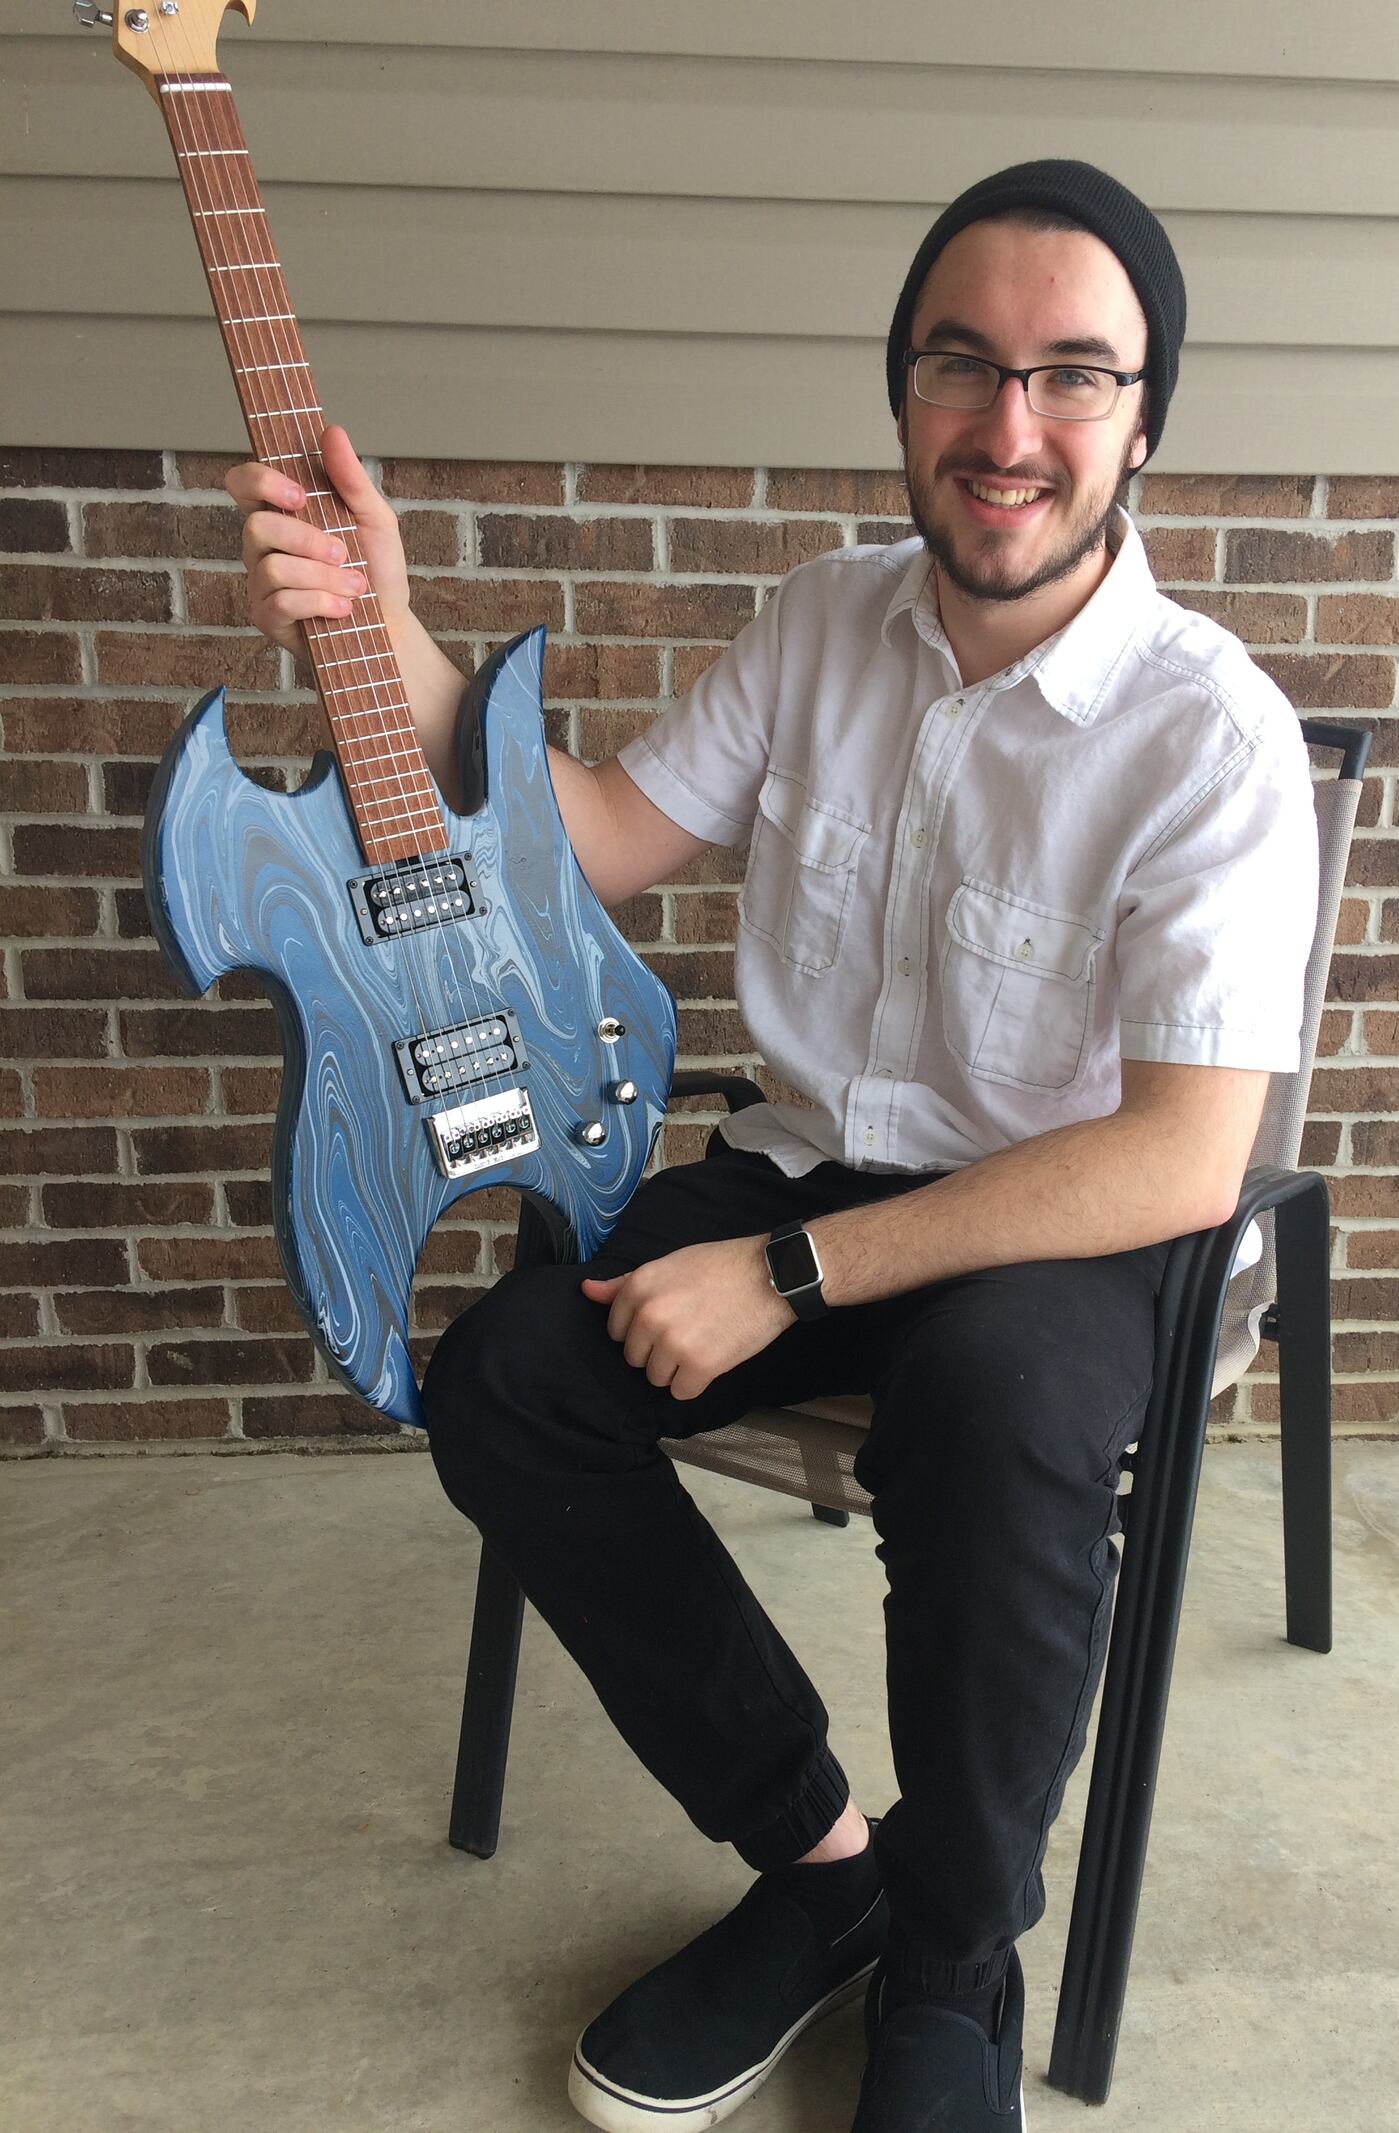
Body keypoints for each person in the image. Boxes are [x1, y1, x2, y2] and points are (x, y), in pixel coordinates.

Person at [227, 159, 1318, 2133]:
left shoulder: (1205, 737)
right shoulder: (817, 621)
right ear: (897, 388)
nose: (1008, 428)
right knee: (512, 1376)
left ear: (1143, 418)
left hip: (1061, 1219)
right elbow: (583, 835)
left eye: (1072, 378)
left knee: (983, 1412)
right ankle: (827, 1868)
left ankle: (958, 1969)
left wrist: (791, 1274)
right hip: (811, 1156)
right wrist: (384, 618)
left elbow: (1173, 1159)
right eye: (960, 365)